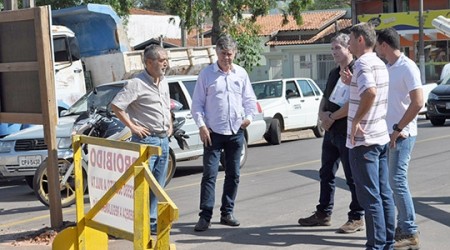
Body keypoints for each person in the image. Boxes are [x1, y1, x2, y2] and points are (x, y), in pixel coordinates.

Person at [298, 33, 365, 234]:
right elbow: (324, 98)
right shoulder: (334, 73)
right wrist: (322, 116)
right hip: (330, 132)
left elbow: (355, 102)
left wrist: (332, 117)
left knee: (352, 176)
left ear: (348, 48)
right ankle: (323, 213)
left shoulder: (356, 71)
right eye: (332, 49)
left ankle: (356, 217)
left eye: (338, 48)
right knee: (326, 173)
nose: (334, 52)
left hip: (346, 131)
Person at [191, 34, 257, 232]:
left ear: (234, 53)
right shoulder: (206, 75)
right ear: (216, 53)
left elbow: (249, 101)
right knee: (210, 175)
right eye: (222, 54)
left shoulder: (241, 74)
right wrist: (202, 126)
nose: (226, 58)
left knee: (233, 174)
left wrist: (249, 117)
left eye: (229, 54)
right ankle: (205, 216)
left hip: (236, 132)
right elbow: (197, 105)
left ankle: (227, 212)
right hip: (213, 133)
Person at [341, 22, 395, 249]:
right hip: (380, 137)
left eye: (351, 40)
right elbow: (368, 90)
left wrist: (355, 121)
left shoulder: (362, 63)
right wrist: (351, 82)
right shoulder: (379, 63)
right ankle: (387, 243)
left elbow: (370, 93)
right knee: (384, 195)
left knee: (370, 199)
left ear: (360, 39)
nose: (349, 44)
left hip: (364, 142)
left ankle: (376, 245)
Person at [111, 44, 172, 234]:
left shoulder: (163, 82)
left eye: (166, 60)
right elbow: (116, 106)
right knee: (142, 185)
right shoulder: (136, 83)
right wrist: (133, 126)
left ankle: (151, 221)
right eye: (162, 60)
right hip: (146, 141)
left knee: (158, 185)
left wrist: (169, 124)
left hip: (163, 140)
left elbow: (166, 106)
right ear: (149, 62)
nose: (165, 64)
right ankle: (139, 222)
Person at [375, 28, 422, 250]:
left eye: (377, 45)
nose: (375, 49)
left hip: (403, 135)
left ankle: (410, 231)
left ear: (384, 45)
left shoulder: (407, 67)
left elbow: (418, 102)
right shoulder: (387, 67)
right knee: (392, 184)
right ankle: (402, 226)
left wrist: (398, 128)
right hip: (388, 135)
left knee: (397, 182)